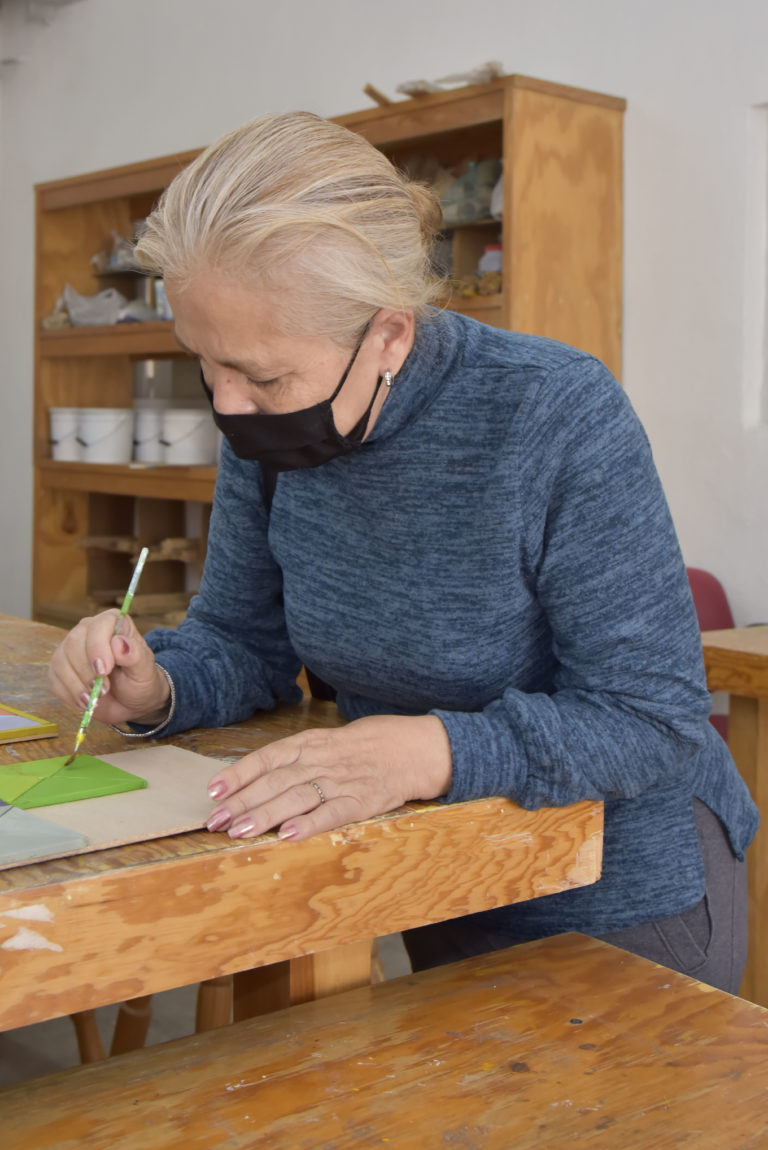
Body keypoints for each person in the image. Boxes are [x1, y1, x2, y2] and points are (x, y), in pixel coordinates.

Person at [47, 111, 757, 994]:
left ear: (389, 334)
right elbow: (241, 643)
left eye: (263, 376)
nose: (229, 406)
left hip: (621, 900)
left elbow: (650, 716)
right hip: (431, 875)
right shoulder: (267, 429)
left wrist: (425, 754)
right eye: (205, 361)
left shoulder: (554, 412)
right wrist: (159, 686)